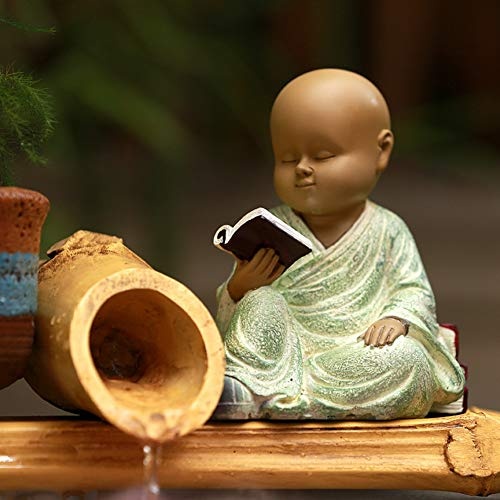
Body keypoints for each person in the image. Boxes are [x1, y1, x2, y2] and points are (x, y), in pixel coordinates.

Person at [213, 69, 465, 420]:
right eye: (287, 158)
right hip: (283, 354)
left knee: (408, 360)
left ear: (381, 151)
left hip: (356, 356)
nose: (302, 168)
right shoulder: (271, 227)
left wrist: (397, 318)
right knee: (261, 301)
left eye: (323, 155)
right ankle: (251, 385)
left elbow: (413, 290)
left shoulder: (387, 229)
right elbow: (239, 315)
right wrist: (240, 289)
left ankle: (272, 398)